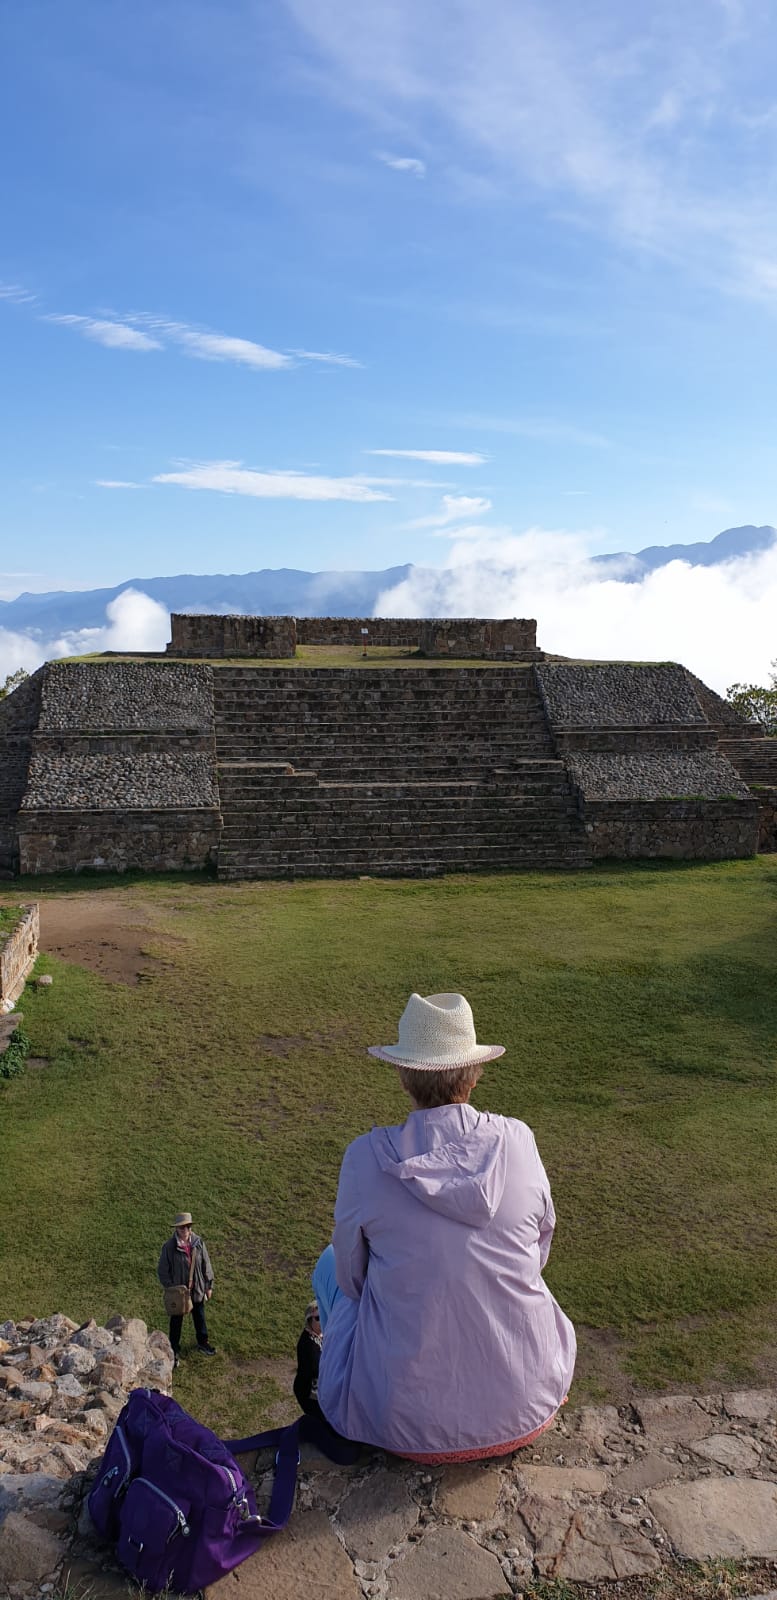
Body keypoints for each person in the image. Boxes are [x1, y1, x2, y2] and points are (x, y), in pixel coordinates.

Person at [314, 992, 576, 1463]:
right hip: (525, 1401)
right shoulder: (518, 1141)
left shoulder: (365, 1160)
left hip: (401, 1421)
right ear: (474, 1074)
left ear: (402, 1074)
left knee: (329, 1266)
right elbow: (539, 1247)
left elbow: (352, 1280)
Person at [157, 1211, 216, 1367]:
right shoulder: (169, 1247)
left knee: (200, 1316)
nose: (185, 1230)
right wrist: (172, 1288)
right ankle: (174, 1349)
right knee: (176, 1321)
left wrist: (209, 1285)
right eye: (182, 1227)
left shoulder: (198, 1242)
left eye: (187, 1227)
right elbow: (163, 1271)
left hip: (197, 1288)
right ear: (177, 1229)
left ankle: (203, 1342)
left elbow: (206, 1264)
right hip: (179, 1292)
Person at [293, 1300, 323, 1417]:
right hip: (310, 1393)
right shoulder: (308, 1344)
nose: (321, 1321)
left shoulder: (322, 1334)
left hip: (319, 1390)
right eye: (317, 1318)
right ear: (309, 1321)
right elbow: (317, 1369)